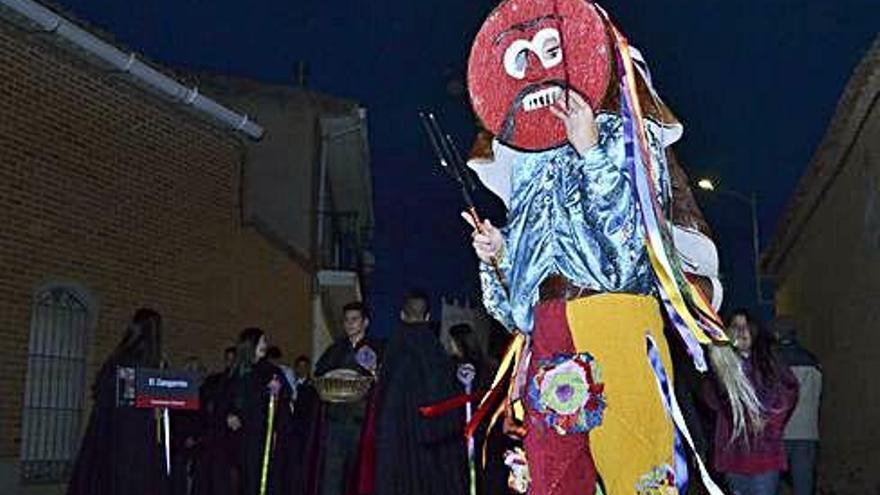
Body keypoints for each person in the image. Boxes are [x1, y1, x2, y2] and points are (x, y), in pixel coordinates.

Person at [461, 1, 761, 494]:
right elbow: (514, 311)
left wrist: (591, 151)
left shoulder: (626, 133)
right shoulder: (525, 162)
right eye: (524, 59)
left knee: (639, 474)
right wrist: (497, 257)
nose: (539, 71)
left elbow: (626, 257)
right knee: (551, 481)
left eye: (552, 50)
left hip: (616, 320)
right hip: (548, 334)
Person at [374, 291, 468, 495]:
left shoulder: (393, 351)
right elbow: (449, 404)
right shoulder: (437, 354)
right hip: (430, 443)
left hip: (395, 443)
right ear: (427, 317)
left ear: (402, 315)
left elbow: (382, 401)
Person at [67, 308, 169, 495]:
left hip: (109, 438)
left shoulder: (116, 360)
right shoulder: (138, 365)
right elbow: (134, 410)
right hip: (132, 447)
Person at [704, 312, 799, 495]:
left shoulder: (769, 363)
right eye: (735, 327)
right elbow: (711, 401)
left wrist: (769, 421)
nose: (740, 331)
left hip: (764, 457)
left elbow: (790, 390)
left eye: (745, 326)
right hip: (733, 459)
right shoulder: (723, 367)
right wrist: (718, 372)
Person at [307, 302, 382, 495]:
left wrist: (375, 371)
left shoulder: (379, 348)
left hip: (362, 423)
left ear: (366, 322)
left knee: (360, 476)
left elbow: (384, 383)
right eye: (346, 320)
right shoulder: (335, 349)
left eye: (354, 319)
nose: (349, 324)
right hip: (336, 421)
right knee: (332, 476)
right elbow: (318, 377)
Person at [224, 328, 293, 495]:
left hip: (263, 434)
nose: (265, 345)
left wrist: (277, 392)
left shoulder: (271, 371)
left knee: (264, 478)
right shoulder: (236, 372)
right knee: (245, 479)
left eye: (264, 341)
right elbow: (226, 399)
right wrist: (229, 414)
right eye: (261, 341)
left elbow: (285, 397)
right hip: (242, 436)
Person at [774, 316, 822, 495]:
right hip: (807, 433)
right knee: (804, 486)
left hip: (780, 434)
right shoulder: (813, 361)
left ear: (777, 334)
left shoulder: (772, 362)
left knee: (773, 487)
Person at [196, 347, 238, 495]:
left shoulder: (242, 381)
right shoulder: (216, 381)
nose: (231, 362)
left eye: (234, 359)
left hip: (233, 440)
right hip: (216, 437)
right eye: (228, 359)